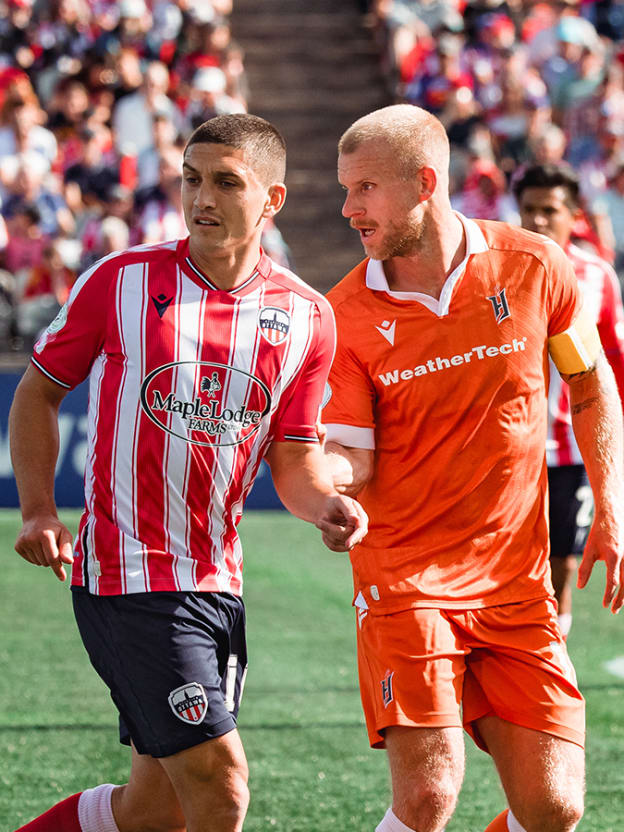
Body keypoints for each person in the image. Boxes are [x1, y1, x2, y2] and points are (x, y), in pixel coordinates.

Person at [10, 113, 367, 832]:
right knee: (221, 789)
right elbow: (38, 392)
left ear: (272, 200)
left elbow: (294, 456)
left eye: (226, 182)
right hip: (127, 577)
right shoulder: (122, 280)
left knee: (156, 809)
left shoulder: (308, 317)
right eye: (191, 178)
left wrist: (326, 503)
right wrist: (39, 509)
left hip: (217, 583)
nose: (202, 198)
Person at [322, 104, 624, 832]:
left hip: (517, 584)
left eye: (365, 188)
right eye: (345, 189)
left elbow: (590, 386)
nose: (348, 208)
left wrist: (611, 504)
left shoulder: (535, 265)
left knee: (554, 807)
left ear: (425, 182)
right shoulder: (345, 313)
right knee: (428, 795)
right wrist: (324, 486)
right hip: (406, 581)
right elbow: (351, 454)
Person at [513, 163, 624, 638]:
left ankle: (552, 652)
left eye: (549, 210)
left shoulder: (596, 276)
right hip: (507, 446)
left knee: (562, 561)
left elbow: (614, 362)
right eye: (529, 209)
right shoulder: (498, 270)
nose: (538, 220)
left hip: (569, 448)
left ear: (574, 214)